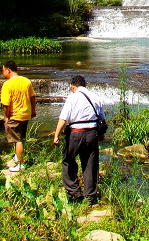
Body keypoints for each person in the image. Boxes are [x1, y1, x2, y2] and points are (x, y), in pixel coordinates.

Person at [53, 75, 105, 204]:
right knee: (90, 165)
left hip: (76, 133)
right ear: (85, 85)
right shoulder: (95, 97)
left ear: (72, 86)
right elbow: (102, 118)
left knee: (67, 161)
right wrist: (101, 134)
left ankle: (74, 192)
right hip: (92, 133)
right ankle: (90, 198)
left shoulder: (72, 97)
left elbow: (63, 118)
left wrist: (56, 135)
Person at [1, 60, 36, 172]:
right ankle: (18, 155)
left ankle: (20, 165)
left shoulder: (7, 84)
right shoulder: (26, 81)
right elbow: (32, 97)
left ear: (8, 70)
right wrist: (33, 111)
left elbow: (6, 104)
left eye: (3, 71)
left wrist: (6, 117)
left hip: (15, 115)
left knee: (17, 140)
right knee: (20, 137)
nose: (3, 74)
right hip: (25, 114)